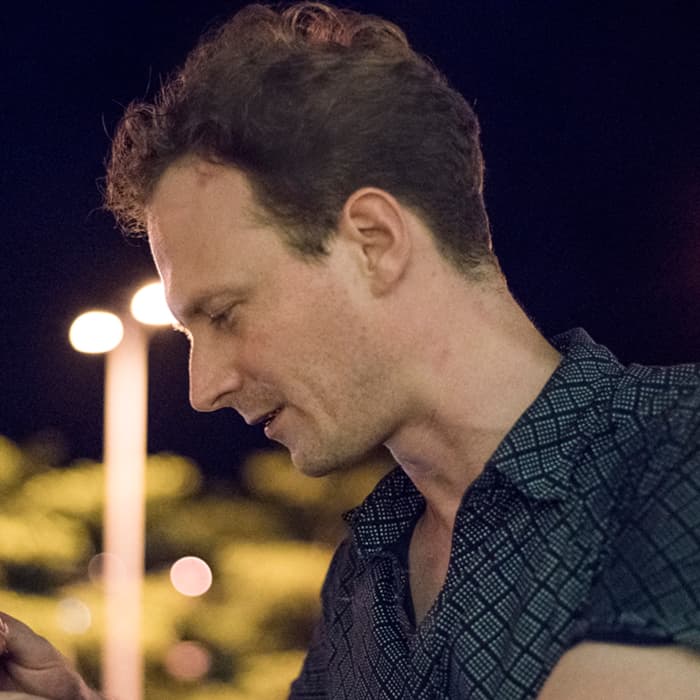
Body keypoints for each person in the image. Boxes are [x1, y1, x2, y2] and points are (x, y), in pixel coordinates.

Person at [2, 2, 699, 698]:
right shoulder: (363, 577)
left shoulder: (679, 444)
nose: (202, 388)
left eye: (224, 314)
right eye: (189, 334)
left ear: (375, 242)